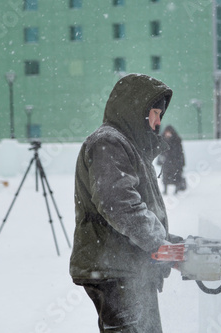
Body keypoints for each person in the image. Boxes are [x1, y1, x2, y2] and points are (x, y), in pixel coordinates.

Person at [69, 74, 181, 333]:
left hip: (126, 266)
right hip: (115, 269)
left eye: (160, 115)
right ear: (136, 108)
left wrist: (170, 242)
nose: (157, 122)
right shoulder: (109, 142)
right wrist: (157, 243)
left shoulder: (128, 146)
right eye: (154, 112)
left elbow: (138, 209)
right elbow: (117, 204)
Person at [157, 125, 186, 195]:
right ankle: (165, 190)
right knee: (165, 176)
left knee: (176, 176)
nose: (168, 134)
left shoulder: (177, 140)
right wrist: (160, 160)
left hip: (175, 162)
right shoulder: (163, 140)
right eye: (167, 133)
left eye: (169, 133)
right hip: (166, 162)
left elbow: (180, 152)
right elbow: (160, 151)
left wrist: (182, 162)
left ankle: (176, 189)